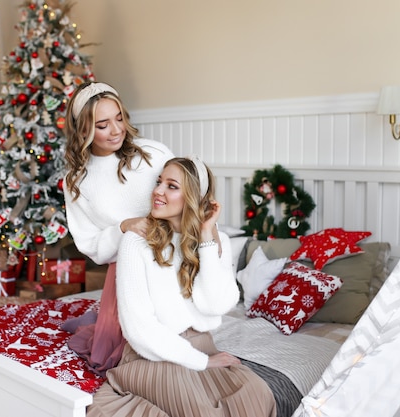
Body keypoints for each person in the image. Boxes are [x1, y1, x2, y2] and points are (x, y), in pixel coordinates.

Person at [88, 157, 277, 417]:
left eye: (171, 186)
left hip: (202, 346)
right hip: (150, 356)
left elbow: (216, 305)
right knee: (201, 409)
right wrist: (202, 363)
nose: (158, 191)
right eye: (159, 182)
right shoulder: (136, 241)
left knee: (257, 393)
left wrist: (207, 238)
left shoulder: (214, 239)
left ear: (193, 197)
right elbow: (139, 328)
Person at [62, 81, 174, 376]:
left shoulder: (153, 153)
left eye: (119, 118)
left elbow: (186, 197)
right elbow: (90, 244)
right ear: (83, 130)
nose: (116, 130)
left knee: (173, 350)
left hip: (169, 262)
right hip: (125, 270)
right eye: (102, 124)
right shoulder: (76, 180)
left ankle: (97, 319)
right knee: (123, 357)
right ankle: (99, 321)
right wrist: (123, 227)